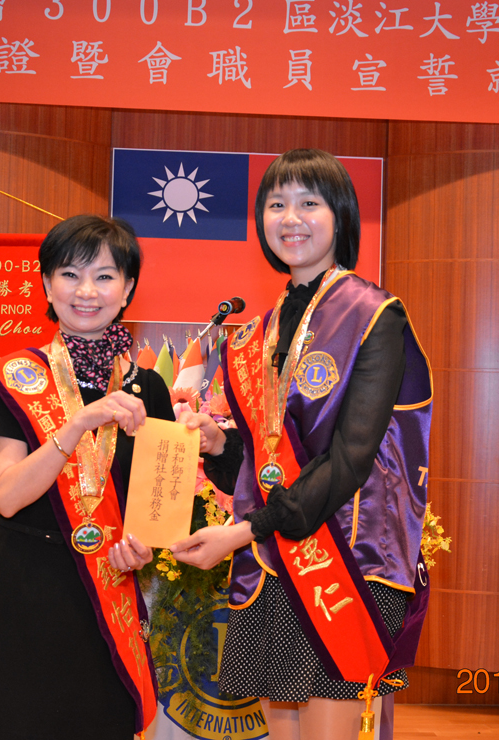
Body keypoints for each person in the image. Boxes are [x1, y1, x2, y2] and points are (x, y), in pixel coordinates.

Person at [170, 149, 433, 740]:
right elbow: (261, 464)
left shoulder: (375, 316)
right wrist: (217, 446)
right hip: (273, 562)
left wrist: (243, 532)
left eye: (309, 202)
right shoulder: (259, 332)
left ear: (340, 215)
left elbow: (351, 460)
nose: (290, 218)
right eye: (276, 204)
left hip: (346, 563)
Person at [0, 215, 173, 740]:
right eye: (70, 274)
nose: (86, 291)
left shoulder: (149, 389)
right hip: (24, 585)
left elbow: (157, 508)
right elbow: (8, 496)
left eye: (104, 276)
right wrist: (75, 424)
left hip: (107, 588)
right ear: (47, 286)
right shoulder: (11, 380)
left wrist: (144, 547)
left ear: (128, 288)